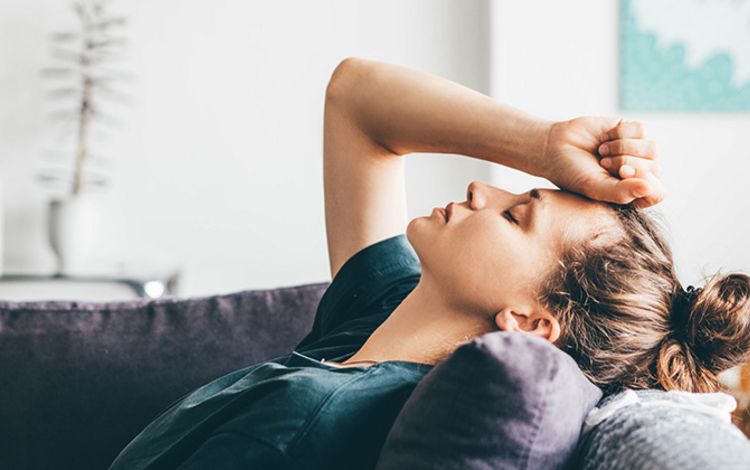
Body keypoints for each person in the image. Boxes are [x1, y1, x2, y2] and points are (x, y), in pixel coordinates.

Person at [109, 58, 750, 470]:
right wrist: (546, 145)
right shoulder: (384, 311)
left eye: (515, 214)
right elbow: (357, 99)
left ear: (528, 321)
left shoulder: (307, 420)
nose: (482, 190)